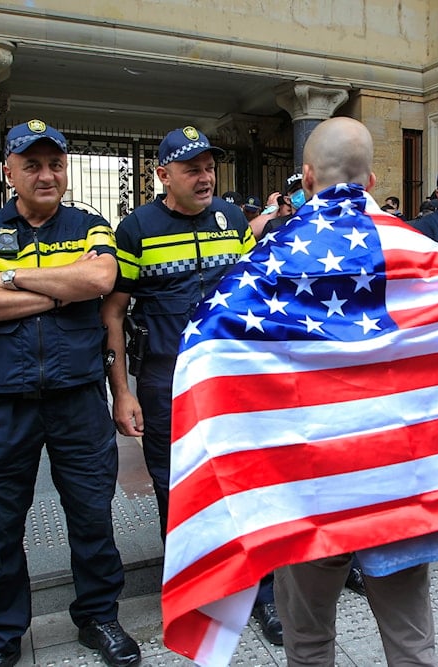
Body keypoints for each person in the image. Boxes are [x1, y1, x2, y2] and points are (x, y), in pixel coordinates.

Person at [0, 119, 140, 667]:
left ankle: (100, 617)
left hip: (76, 399)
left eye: (55, 163)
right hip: (0, 403)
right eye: (32, 164)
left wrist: (5, 279)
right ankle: (0, 638)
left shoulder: (90, 224)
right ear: (9, 170)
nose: (46, 174)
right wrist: (56, 291)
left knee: (92, 516)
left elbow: (99, 279)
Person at [273, 117, 438, 666]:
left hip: (311, 480)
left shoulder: (271, 259)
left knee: (306, 635)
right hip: (395, 474)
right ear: (371, 180)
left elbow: (218, 351)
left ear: (305, 177)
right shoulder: (419, 251)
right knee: (409, 635)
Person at [99, 125, 274, 642]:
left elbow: (254, 290)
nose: (204, 177)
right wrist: (122, 391)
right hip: (164, 379)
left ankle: (260, 594)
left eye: (209, 167)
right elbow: (113, 313)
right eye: (192, 168)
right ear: (163, 175)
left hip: (230, 375)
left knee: (244, 479)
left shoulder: (232, 218)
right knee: (174, 486)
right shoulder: (134, 229)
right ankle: (196, 593)